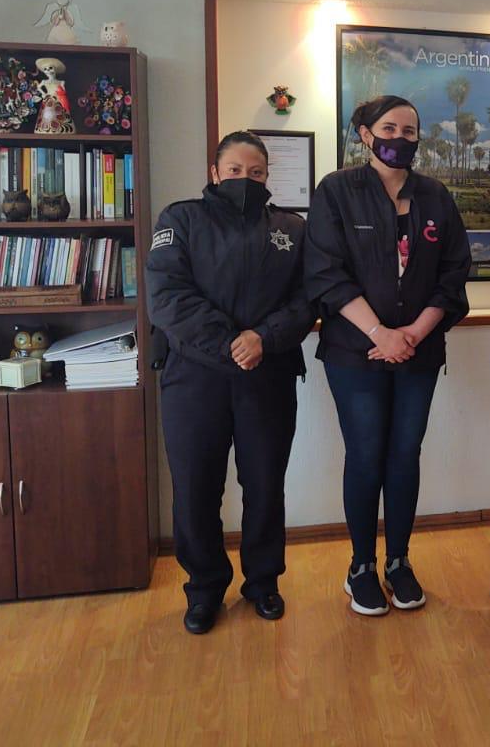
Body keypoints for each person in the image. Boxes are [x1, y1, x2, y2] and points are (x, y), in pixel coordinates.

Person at [305, 95, 471, 617]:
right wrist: (380, 332)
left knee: (404, 455)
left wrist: (411, 335)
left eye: (410, 131)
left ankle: (398, 561)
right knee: (366, 454)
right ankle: (361, 566)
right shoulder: (337, 191)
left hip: (418, 352)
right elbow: (325, 273)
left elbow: (453, 274)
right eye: (389, 128)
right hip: (355, 352)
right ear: (365, 134)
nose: (400, 138)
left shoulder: (435, 196)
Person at [146, 130, 313, 635]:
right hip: (194, 377)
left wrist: (263, 337)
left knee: (264, 486)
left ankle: (263, 583)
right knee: (196, 489)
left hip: (268, 374)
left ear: (267, 176)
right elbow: (167, 298)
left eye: (256, 172)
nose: (245, 179)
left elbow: (308, 299)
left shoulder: (291, 228)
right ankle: (204, 589)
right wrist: (230, 342)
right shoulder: (180, 220)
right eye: (235, 170)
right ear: (215, 173)